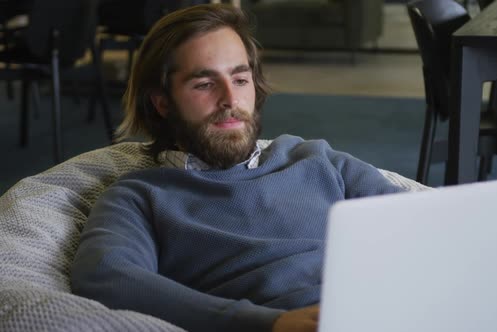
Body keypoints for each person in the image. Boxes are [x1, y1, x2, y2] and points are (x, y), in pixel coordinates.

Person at [70, 4, 406, 332]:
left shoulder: (317, 159)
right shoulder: (140, 197)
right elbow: (105, 277)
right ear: (162, 102)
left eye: (241, 79)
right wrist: (266, 323)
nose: (230, 99)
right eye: (204, 84)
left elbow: (417, 226)